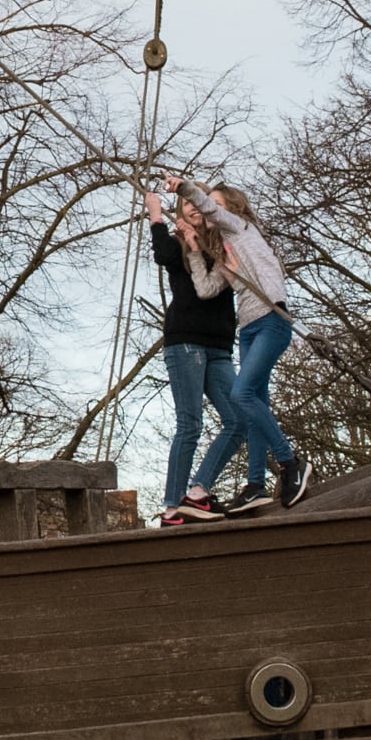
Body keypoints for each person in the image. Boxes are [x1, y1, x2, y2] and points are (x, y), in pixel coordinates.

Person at [192, 181, 303, 511]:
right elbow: (206, 289)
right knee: (254, 405)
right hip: (250, 328)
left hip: (272, 320)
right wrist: (196, 250)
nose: (207, 208)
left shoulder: (242, 228)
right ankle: (256, 483)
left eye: (213, 203)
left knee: (241, 394)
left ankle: (290, 462)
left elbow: (210, 209)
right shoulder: (228, 249)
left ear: (231, 207)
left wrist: (184, 188)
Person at [143, 176, 243, 526]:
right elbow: (161, 254)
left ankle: (197, 490)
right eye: (184, 204)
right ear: (180, 210)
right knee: (191, 423)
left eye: (195, 202)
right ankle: (172, 506)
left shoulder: (222, 244)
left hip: (219, 345)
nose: (192, 209)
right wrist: (155, 214)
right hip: (186, 340)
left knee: (238, 418)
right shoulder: (178, 244)